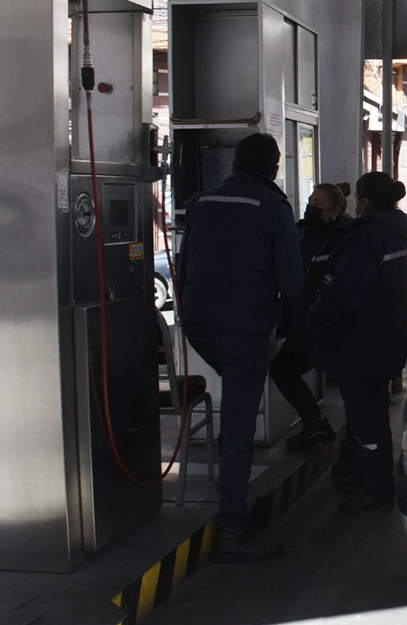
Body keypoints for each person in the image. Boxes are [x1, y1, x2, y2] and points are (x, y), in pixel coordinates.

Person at [176, 133, 303, 562]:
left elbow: (185, 261)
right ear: (274, 167)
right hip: (243, 328)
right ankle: (232, 526)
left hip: (197, 323)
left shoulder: (201, 202)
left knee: (234, 404)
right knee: (238, 426)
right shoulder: (273, 207)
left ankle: (229, 487)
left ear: (235, 163)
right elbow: (292, 282)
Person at [308, 171, 407, 513]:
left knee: (366, 419)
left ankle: (377, 488)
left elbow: (347, 294)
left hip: (363, 344)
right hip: (388, 337)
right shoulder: (398, 232)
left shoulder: (367, 237)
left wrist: (314, 319)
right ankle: (372, 475)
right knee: (373, 414)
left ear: (364, 202)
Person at [271, 182, 355, 451]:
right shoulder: (300, 232)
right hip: (302, 324)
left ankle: (352, 445)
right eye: (310, 201)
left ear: (336, 210)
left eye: (318, 205)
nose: (310, 208)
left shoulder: (347, 236)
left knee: (348, 384)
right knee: (282, 369)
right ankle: (315, 423)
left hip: (333, 326)